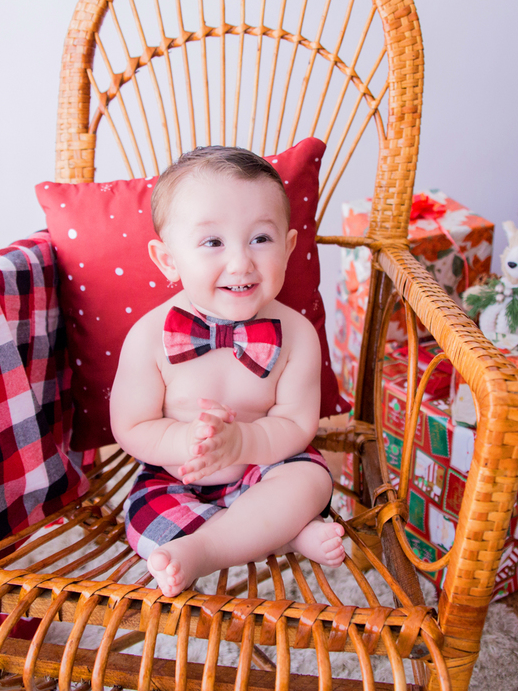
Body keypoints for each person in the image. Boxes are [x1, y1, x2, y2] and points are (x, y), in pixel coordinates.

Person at [111, 146, 345, 596]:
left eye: (261, 239)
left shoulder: (297, 335)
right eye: (213, 242)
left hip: (265, 467)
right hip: (177, 478)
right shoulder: (149, 336)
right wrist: (188, 442)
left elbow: (297, 425)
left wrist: (242, 443)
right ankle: (282, 534)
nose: (241, 263)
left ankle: (210, 549)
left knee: (311, 481)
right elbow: (131, 425)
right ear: (168, 260)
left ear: (289, 247)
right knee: (144, 523)